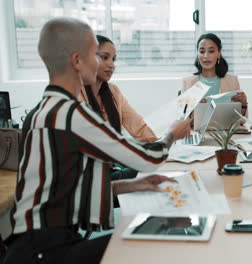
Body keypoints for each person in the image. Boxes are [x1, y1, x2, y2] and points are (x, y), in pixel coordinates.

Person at [2, 17, 191, 264]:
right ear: (77, 60)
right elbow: (150, 158)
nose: (103, 63)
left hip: (28, 247)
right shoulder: (73, 114)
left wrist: (130, 186)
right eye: (96, 54)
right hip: (46, 252)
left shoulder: (43, 110)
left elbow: (67, 189)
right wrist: (173, 133)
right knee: (155, 236)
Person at [79, 35, 157, 142]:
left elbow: (139, 128)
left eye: (113, 59)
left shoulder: (113, 91)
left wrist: (169, 136)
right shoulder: (75, 94)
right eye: (104, 57)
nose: (111, 65)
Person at [182, 33, 248, 117]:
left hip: (225, 129)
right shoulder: (188, 82)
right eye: (202, 51)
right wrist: (193, 108)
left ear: (219, 53)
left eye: (211, 51)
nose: (206, 56)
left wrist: (243, 105)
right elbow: (182, 120)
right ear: (198, 55)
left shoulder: (232, 81)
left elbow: (240, 121)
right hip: (196, 129)